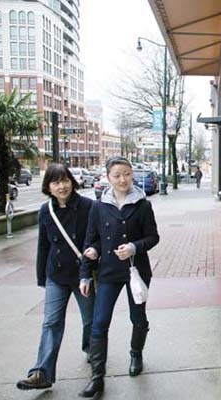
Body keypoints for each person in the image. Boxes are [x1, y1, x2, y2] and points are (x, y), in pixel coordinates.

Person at [78, 156, 159, 398]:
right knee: (99, 322)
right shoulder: (98, 206)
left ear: (131, 174)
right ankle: (97, 377)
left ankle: (136, 354)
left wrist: (134, 247)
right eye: (117, 175)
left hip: (136, 272)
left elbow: (153, 237)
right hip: (109, 273)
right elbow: (91, 240)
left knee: (138, 318)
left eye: (126, 174)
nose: (123, 179)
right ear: (108, 178)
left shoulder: (143, 205)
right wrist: (87, 266)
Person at [16, 164, 95, 391]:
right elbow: (43, 245)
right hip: (56, 275)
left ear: (72, 181)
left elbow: (96, 239)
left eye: (65, 180)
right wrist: (41, 276)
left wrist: (92, 263)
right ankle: (41, 372)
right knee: (51, 322)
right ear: (48, 187)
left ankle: (91, 350)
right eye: (56, 182)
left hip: (83, 275)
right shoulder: (45, 211)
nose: (62, 186)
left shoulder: (88, 207)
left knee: (90, 319)